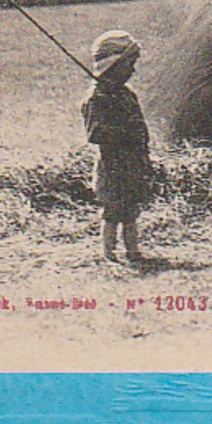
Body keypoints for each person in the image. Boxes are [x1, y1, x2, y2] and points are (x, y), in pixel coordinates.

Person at [81, 30, 154, 265]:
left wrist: (143, 153)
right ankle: (109, 254)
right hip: (112, 167)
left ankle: (133, 251)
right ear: (114, 65)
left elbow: (141, 129)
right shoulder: (97, 98)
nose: (133, 70)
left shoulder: (126, 95)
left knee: (131, 212)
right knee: (112, 213)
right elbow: (95, 134)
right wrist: (124, 132)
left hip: (132, 164)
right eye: (129, 64)